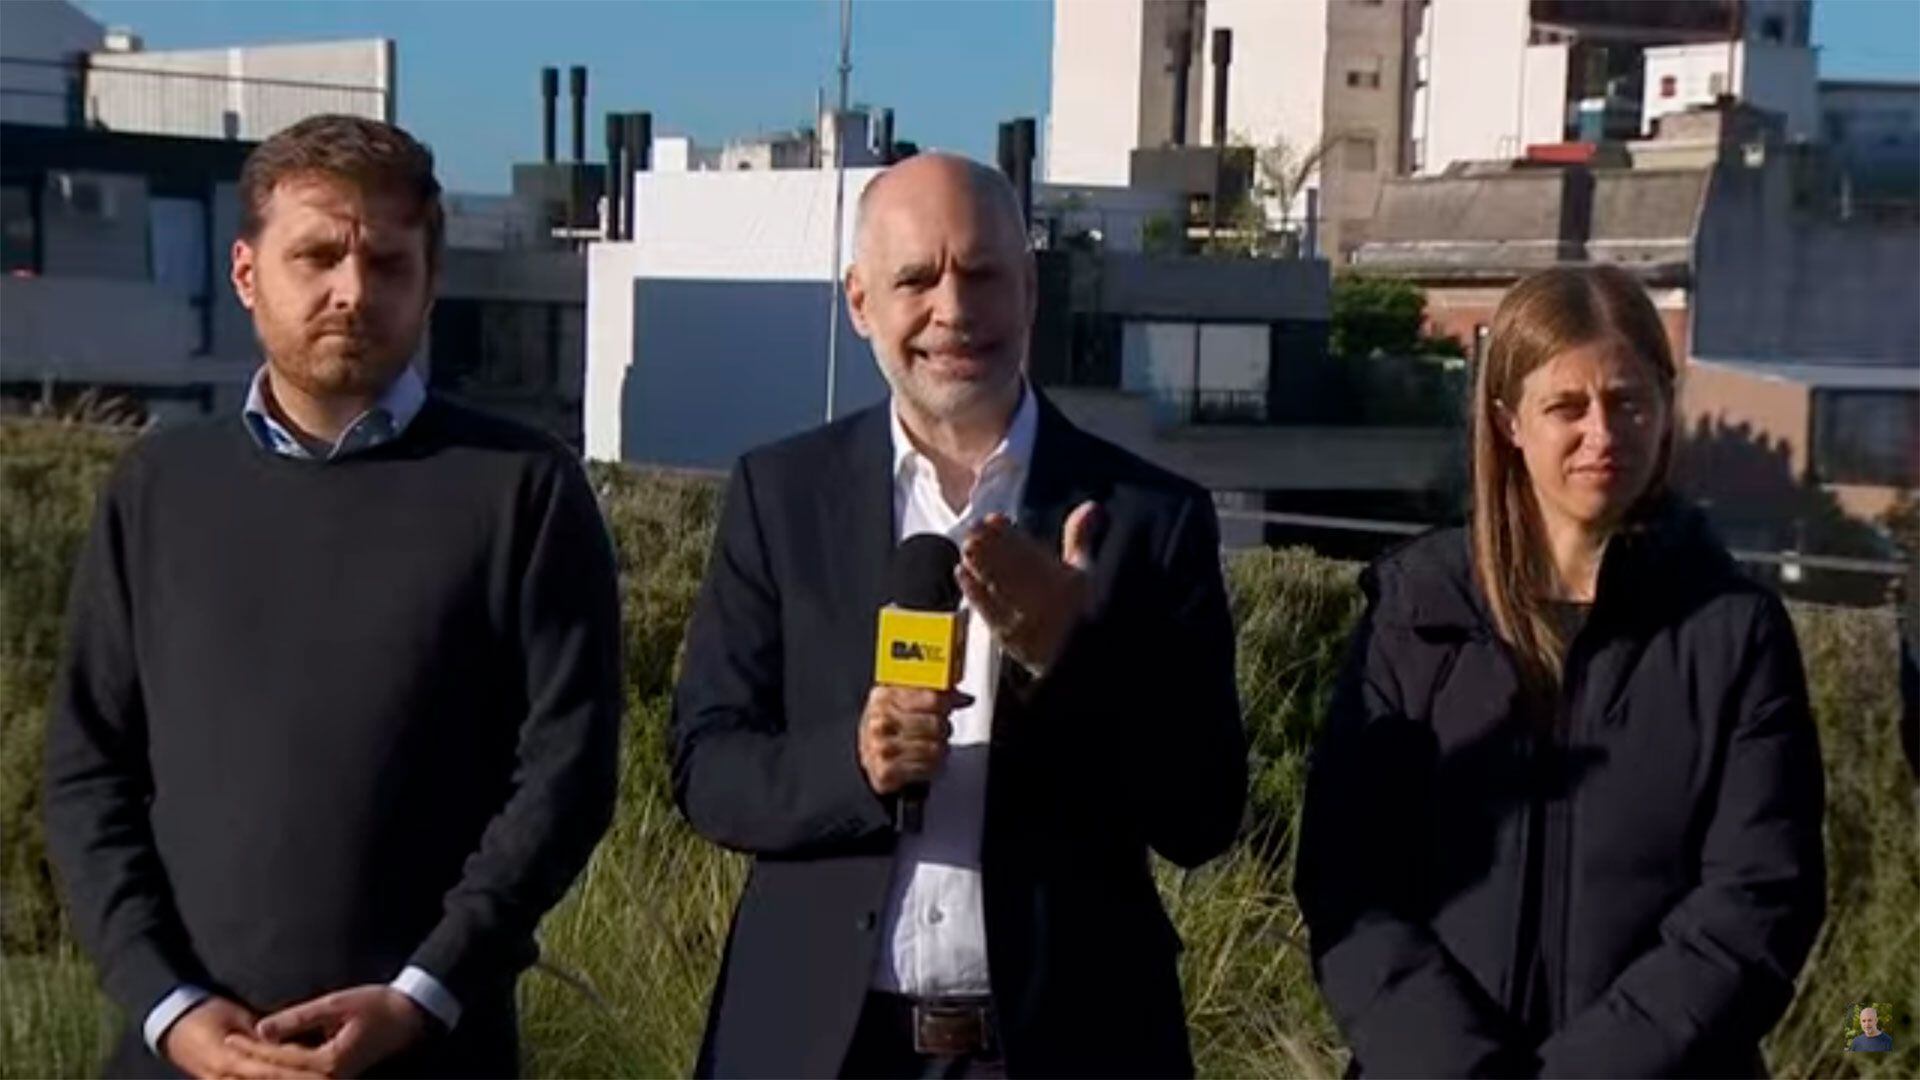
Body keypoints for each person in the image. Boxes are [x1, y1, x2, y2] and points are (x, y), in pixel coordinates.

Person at [43, 114, 621, 1079]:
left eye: (389, 264)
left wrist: (424, 993)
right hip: (178, 1061)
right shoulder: (159, 488)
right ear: (245, 273)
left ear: (431, 283)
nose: (352, 291)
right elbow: (86, 773)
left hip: (431, 1056)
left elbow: (567, 776)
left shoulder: (523, 487)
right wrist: (171, 1006)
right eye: (317, 256)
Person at [670, 154, 1246, 1078]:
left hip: (1067, 1044)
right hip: (821, 1046)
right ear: (860, 302)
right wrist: (853, 764)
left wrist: (1075, 653)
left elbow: (1204, 813)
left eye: (982, 275)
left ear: (1029, 289)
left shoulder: (1151, 516)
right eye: (915, 280)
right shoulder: (781, 494)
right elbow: (707, 766)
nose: (953, 309)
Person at [1295, 265, 1827, 1077]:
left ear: (1665, 405)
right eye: (1566, 408)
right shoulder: (1415, 614)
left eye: (1629, 401)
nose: (1603, 434)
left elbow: (1756, 903)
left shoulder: (1734, 632)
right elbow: (1348, 883)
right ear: (1509, 420)